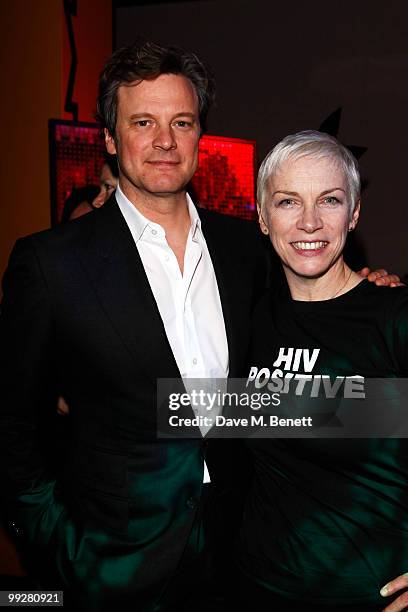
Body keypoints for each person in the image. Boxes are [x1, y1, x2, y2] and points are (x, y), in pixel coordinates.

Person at [0, 41, 267, 611]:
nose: (165, 141)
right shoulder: (51, 264)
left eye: (182, 122)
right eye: (143, 122)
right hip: (111, 567)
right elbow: (12, 423)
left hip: (240, 557)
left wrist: (371, 292)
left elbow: (293, 382)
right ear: (111, 139)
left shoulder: (248, 250)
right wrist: (57, 544)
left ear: (200, 135)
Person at [234, 130, 408, 611]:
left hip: (368, 596)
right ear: (264, 217)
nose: (309, 222)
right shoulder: (249, 319)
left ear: (353, 213)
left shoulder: (394, 318)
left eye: (329, 200)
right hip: (258, 589)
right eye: (288, 202)